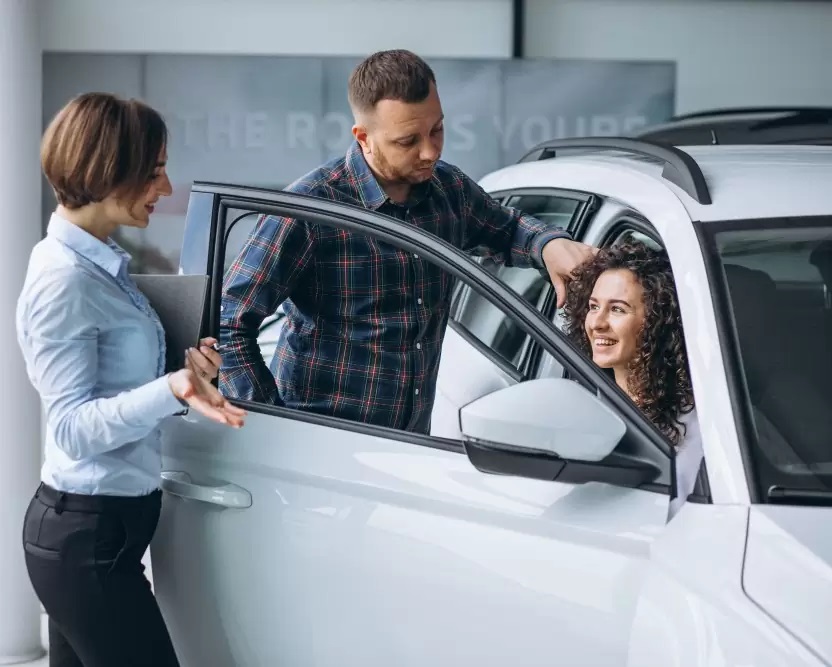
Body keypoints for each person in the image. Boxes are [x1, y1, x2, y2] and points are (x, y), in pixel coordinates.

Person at [219, 49, 594, 435]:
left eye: (437, 130)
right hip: (319, 443)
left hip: (411, 447)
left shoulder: (449, 191)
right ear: (363, 138)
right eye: (407, 140)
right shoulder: (311, 209)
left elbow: (508, 230)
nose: (430, 151)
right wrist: (272, 424)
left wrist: (549, 245)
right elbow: (227, 322)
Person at [16, 92, 246, 667]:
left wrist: (184, 374)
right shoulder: (64, 280)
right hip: (86, 541)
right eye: (155, 173)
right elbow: (70, 428)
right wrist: (171, 390)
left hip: (102, 536)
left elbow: (117, 386)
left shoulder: (101, 265)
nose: (166, 190)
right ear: (106, 170)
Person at [561, 242, 701, 518]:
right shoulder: (586, 403)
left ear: (657, 322)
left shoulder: (694, 424)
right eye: (593, 306)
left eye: (617, 309)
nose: (596, 323)